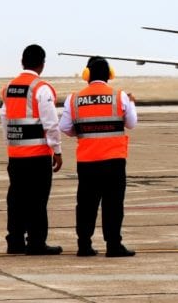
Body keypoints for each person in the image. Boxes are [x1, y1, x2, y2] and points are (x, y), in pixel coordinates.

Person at [59, 56, 138, 257]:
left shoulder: (74, 98)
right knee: (113, 204)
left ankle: (84, 245)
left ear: (87, 75)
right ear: (110, 75)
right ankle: (113, 245)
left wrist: (85, 131)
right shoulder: (119, 96)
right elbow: (131, 123)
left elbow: (65, 128)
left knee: (86, 204)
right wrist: (131, 103)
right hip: (114, 159)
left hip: (87, 160)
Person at [0, 44, 63, 255]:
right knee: (37, 200)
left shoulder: (10, 87)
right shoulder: (40, 88)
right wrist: (57, 150)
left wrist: (10, 143)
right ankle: (36, 242)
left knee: (16, 199)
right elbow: (51, 122)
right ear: (42, 64)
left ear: (22, 62)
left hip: (16, 154)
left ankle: (15, 241)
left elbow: (4, 117)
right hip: (37, 155)